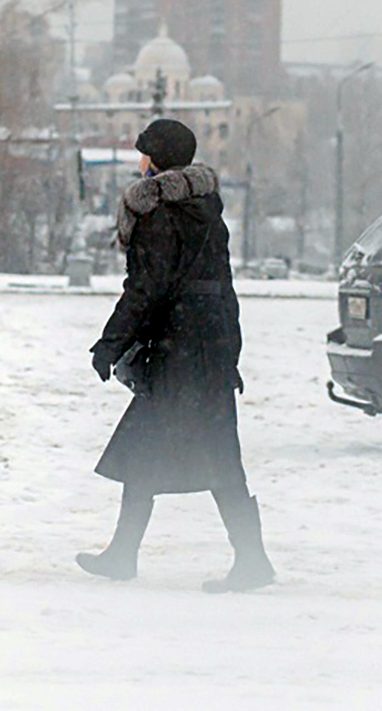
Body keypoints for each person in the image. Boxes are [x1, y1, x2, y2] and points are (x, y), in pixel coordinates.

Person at [79, 118, 275, 593]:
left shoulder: (157, 214)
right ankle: (131, 554)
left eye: (143, 152)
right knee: (196, 451)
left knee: (174, 450)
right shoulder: (208, 212)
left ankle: (247, 562)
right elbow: (224, 290)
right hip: (205, 349)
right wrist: (230, 354)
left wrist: (111, 344)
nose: (138, 160)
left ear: (158, 158)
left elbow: (147, 288)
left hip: (176, 353)